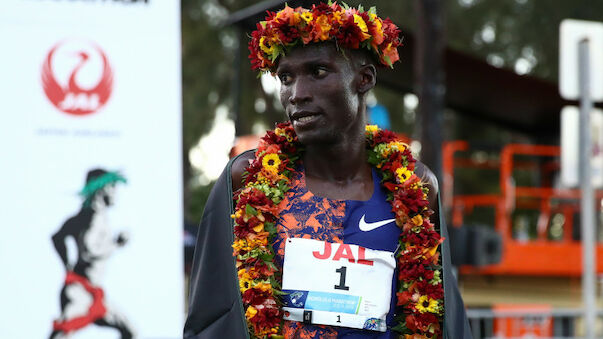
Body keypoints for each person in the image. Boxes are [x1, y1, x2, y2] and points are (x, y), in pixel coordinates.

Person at [184, 3, 472, 338]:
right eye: (286, 78)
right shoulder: (246, 179)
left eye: (318, 72)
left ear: (364, 79)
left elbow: (441, 320)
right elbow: (213, 317)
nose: (297, 94)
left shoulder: (417, 186)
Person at [49, 169, 135, 339]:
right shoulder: (94, 217)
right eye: (112, 187)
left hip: (92, 292)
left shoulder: (85, 215)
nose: (115, 192)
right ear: (101, 189)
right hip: (80, 292)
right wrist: (116, 244)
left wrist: (66, 263)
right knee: (62, 332)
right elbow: (89, 250)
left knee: (129, 331)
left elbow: (57, 237)